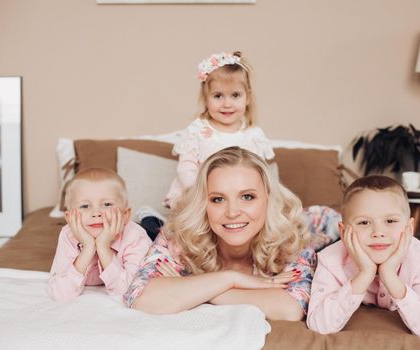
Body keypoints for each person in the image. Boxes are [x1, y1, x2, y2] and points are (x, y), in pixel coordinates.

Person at [124, 147, 316, 321]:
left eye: (247, 197)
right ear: (203, 204)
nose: (232, 212)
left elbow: (290, 309)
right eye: (218, 199)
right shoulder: (178, 237)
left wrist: (194, 288)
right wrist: (231, 278)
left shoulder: (291, 239)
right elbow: (142, 300)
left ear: (269, 198)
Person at [136, 51, 274, 239]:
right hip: (201, 195)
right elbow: (187, 167)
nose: (227, 104)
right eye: (218, 96)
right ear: (206, 97)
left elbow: (261, 173)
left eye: (235, 95)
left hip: (239, 200)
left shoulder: (253, 135)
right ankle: (157, 227)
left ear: (247, 97)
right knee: (189, 232)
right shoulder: (198, 131)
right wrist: (201, 191)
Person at [306, 175, 420, 344]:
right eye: (364, 222)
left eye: (390, 221)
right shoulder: (330, 260)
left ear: (409, 229)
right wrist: (365, 274)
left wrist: (389, 275)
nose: (378, 232)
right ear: (344, 231)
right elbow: (319, 324)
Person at [47, 168, 152, 301]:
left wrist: (103, 247)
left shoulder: (136, 237)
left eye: (106, 204)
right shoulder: (68, 235)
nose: (96, 213)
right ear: (68, 218)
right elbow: (60, 293)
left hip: (148, 236)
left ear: (125, 215)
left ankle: (150, 216)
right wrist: (88, 248)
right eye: (85, 206)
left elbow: (130, 291)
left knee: (157, 231)